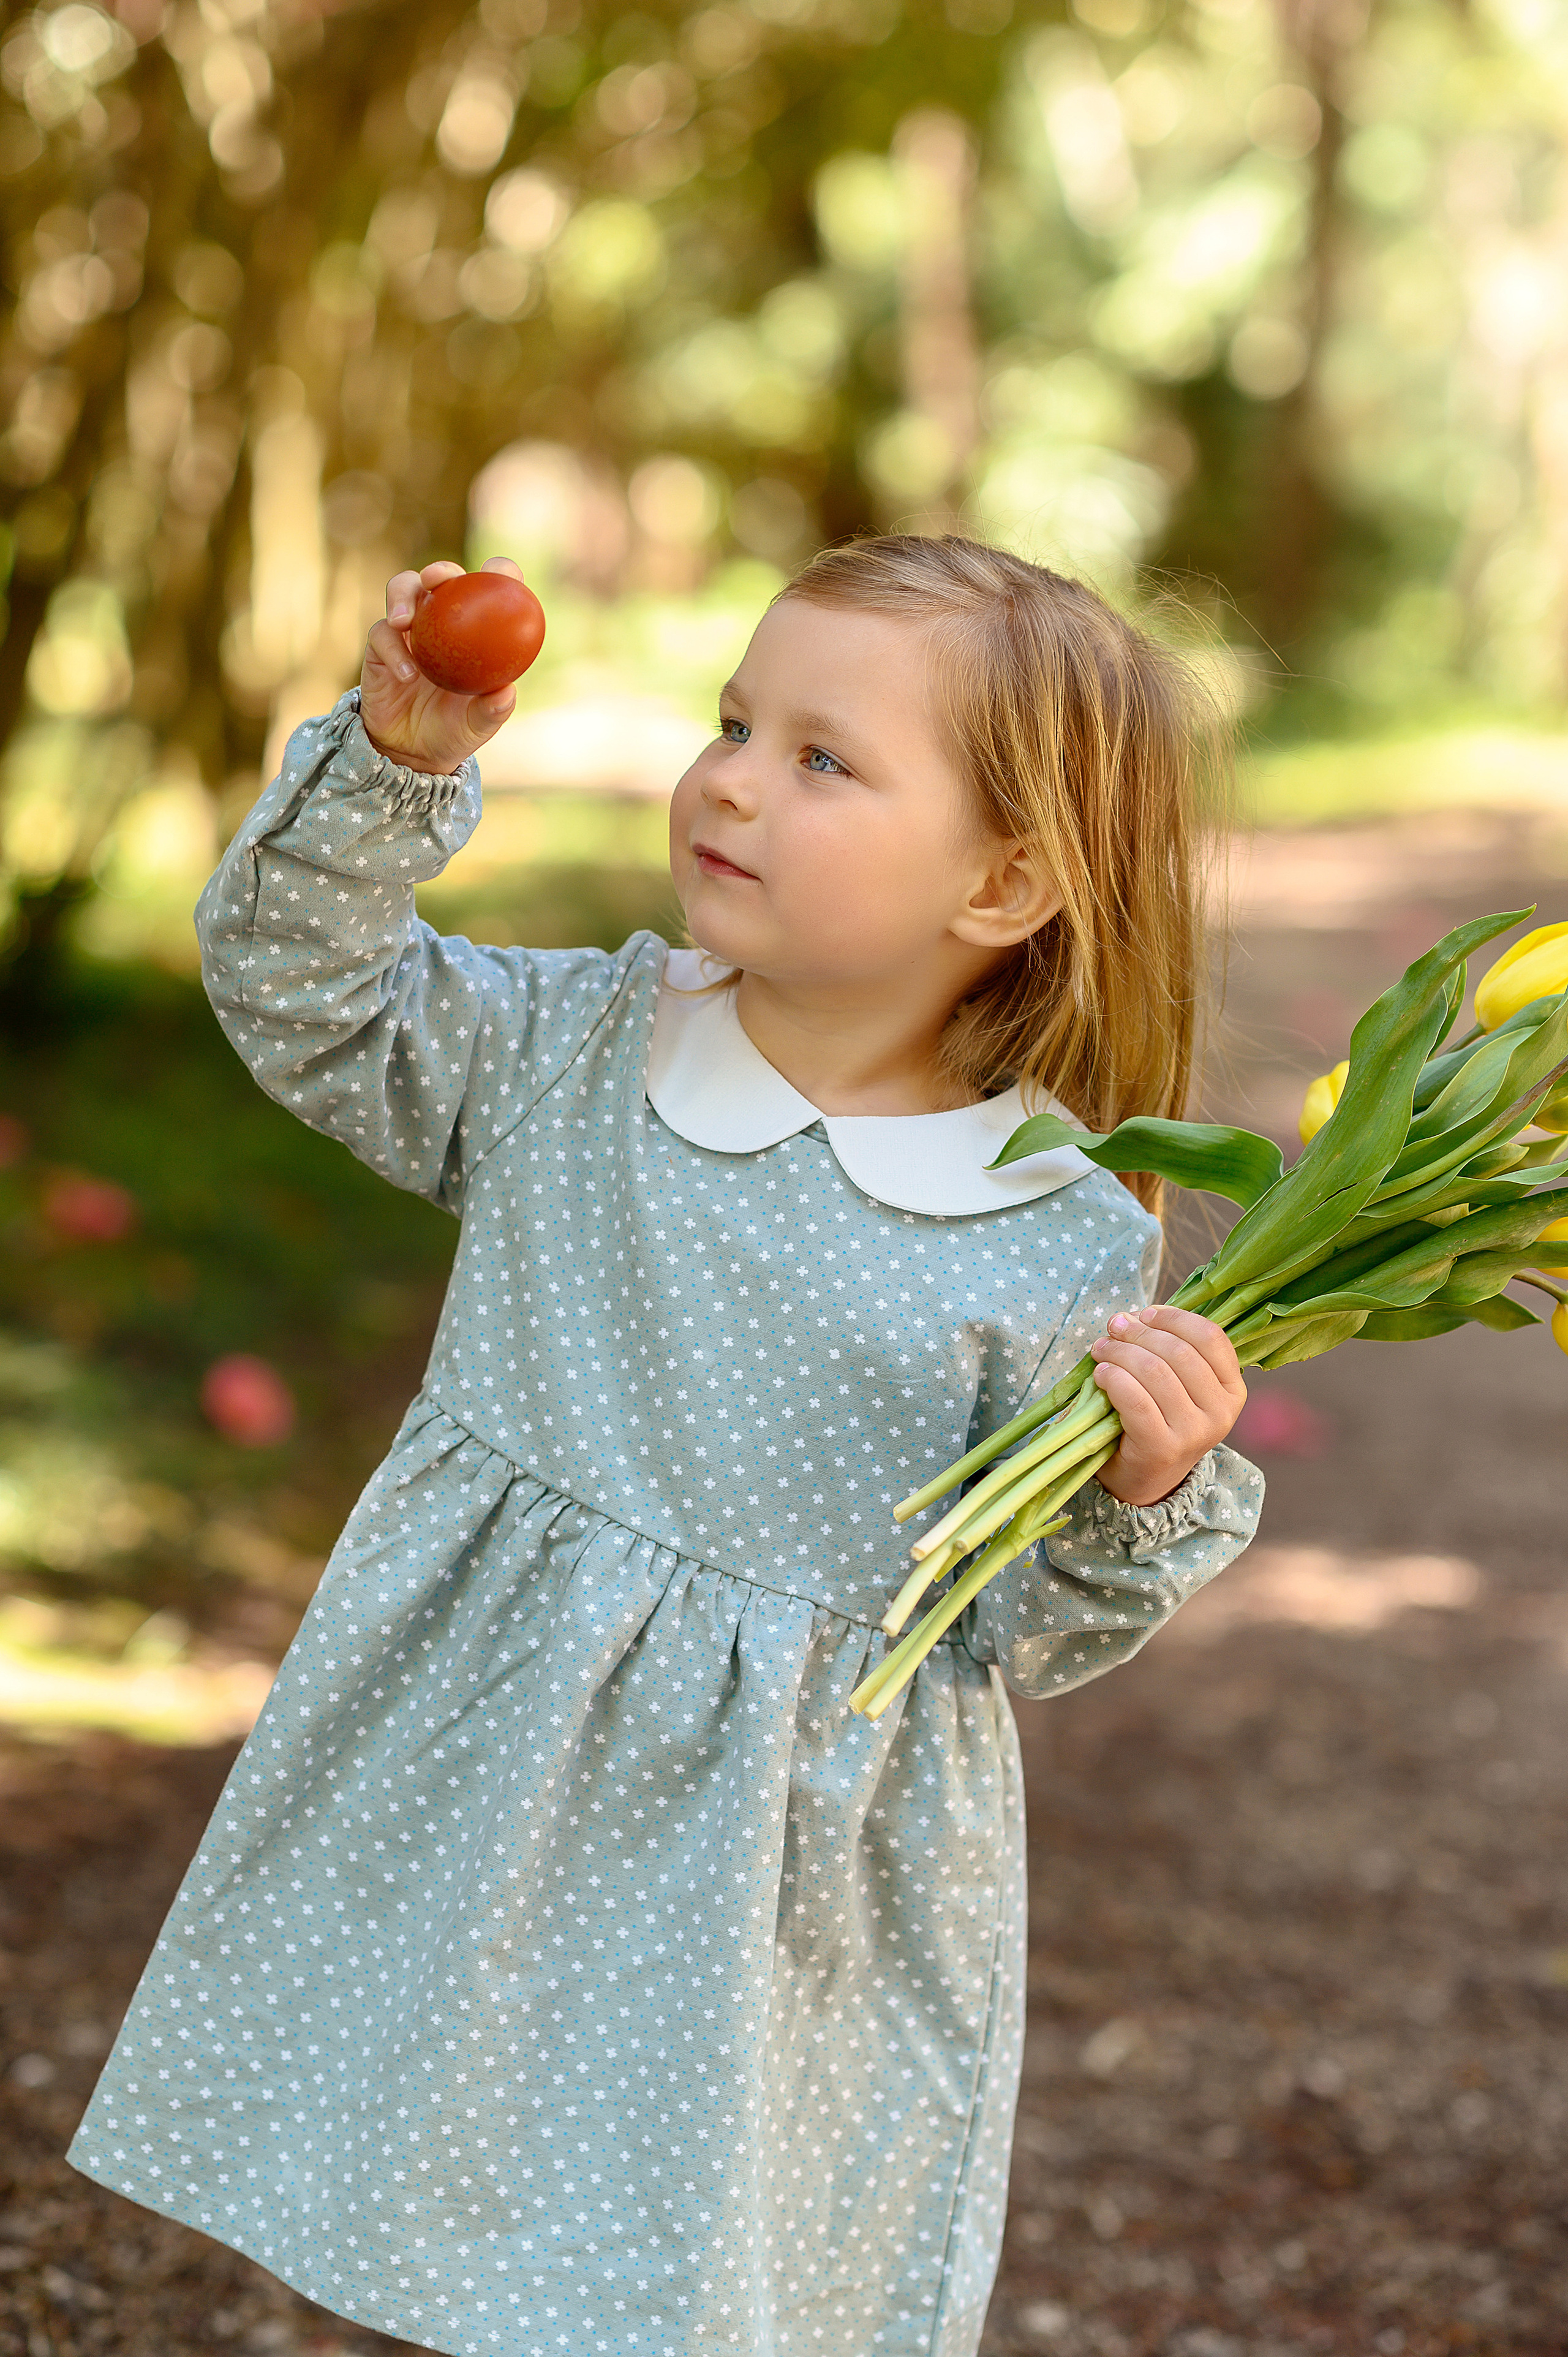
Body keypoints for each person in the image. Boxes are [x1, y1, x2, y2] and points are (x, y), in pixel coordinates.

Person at [70, 535, 1263, 2357]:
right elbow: (300, 987)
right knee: (435, 2193)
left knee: (672, 2269)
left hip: (765, 1863)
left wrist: (1140, 1489)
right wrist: (397, 763)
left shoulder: (1054, 1230)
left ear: (1007, 877)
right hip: (482, 1750)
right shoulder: (580, 1044)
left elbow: (1025, 1629)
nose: (729, 777)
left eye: (822, 758)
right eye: (734, 723)